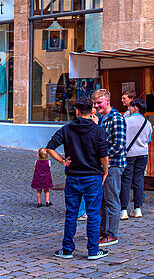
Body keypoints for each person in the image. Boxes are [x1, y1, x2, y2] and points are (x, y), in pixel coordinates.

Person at [45, 98, 110, 260]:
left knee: (71, 214)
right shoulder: (98, 130)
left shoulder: (67, 129)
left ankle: (67, 249)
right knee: (94, 214)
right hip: (92, 176)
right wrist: (105, 172)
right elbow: (104, 156)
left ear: (77, 110)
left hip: (73, 177)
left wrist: (62, 161)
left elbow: (50, 147)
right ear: (92, 111)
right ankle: (93, 250)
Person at [91, 88, 125, 247]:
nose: (96, 106)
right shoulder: (103, 118)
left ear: (107, 101)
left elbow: (118, 146)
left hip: (113, 165)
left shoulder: (116, 118)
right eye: (95, 103)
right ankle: (102, 232)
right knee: (103, 200)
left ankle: (112, 234)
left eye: (99, 102)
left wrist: (101, 157)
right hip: (104, 165)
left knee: (111, 200)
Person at [121, 97, 153, 219]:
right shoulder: (147, 123)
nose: (128, 109)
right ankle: (137, 208)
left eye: (130, 107)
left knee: (126, 181)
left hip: (129, 154)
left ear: (135, 108)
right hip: (142, 154)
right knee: (139, 181)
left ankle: (124, 210)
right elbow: (148, 140)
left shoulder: (126, 121)